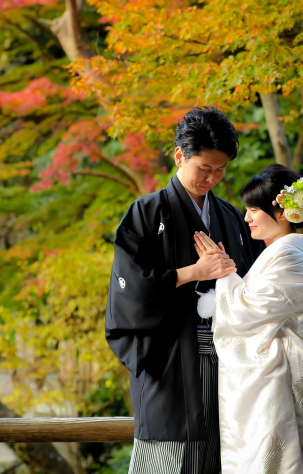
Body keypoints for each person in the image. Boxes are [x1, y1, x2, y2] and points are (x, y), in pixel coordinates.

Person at [105, 106, 265, 474]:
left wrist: (231, 279)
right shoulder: (145, 214)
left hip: (231, 369)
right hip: (172, 366)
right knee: (171, 456)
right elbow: (128, 296)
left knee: (228, 456)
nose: (211, 179)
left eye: (220, 170)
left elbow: (257, 287)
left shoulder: (230, 218)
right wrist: (194, 271)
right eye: (203, 169)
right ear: (179, 156)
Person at [194, 164, 303, 473]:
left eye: (254, 210)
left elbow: (243, 315)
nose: (247, 218)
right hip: (300, 407)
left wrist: (223, 274)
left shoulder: (287, 262)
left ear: (282, 214)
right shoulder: (292, 262)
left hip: (286, 409)